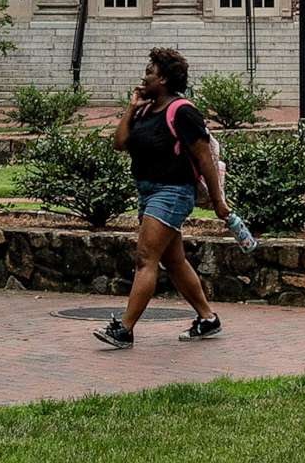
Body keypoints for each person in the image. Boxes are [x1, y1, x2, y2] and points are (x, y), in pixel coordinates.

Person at [96, 46, 230, 348]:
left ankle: (125, 329)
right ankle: (208, 318)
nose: (144, 77)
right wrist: (131, 107)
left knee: (145, 258)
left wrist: (219, 201)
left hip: (173, 192)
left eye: (150, 73)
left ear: (165, 79)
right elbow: (120, 143)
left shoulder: (183, 112)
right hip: (148, 191)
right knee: (174, 260)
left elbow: (204, 158)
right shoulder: (145, 109)